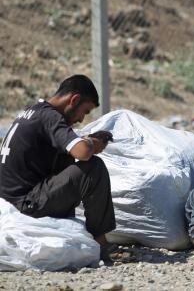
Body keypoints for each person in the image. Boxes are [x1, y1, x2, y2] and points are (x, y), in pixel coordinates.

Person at [0, 74, 117, 261]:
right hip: (25, 204)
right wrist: (92, 142)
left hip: (11, 201)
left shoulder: (33, 111)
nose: (81, 119)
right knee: (93, 168)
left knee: (66, 157)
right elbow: (83, 151)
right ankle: (102, 245)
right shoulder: (50, 116)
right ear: (74, 100)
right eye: (84, 112)